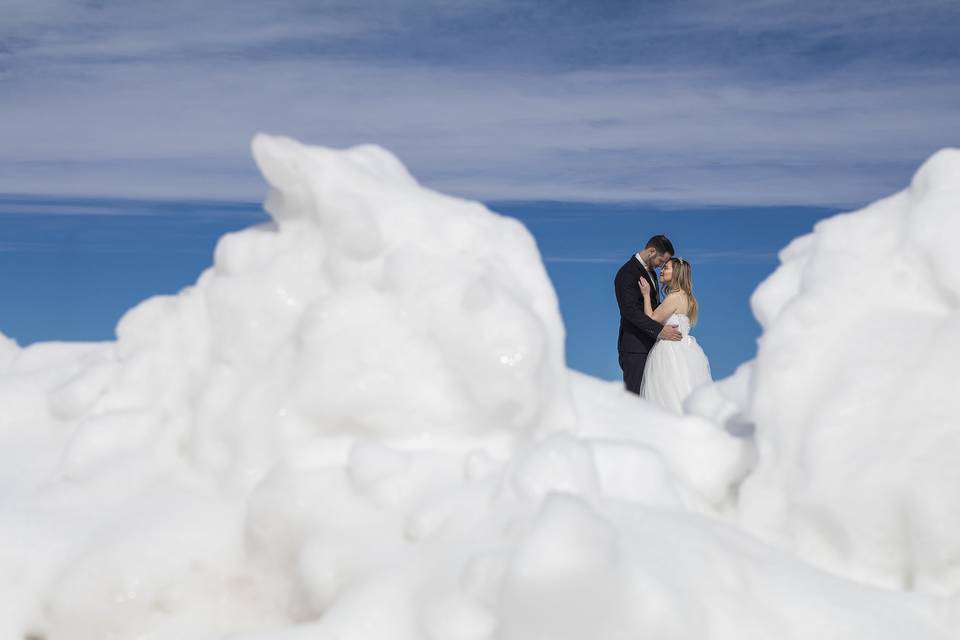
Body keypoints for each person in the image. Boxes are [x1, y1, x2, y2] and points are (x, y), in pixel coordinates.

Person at [637, 257, 712, 413]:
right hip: (686, 350)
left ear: (676, 273)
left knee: (666, 393)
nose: (662, 270)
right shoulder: (689, 298)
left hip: (669, 351)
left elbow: (651, 319)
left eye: (667, 268)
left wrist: (645, 295)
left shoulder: (674, 297)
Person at [614, 235, 682, 394]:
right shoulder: (627, 273)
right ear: (651, 251)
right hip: (636, 348)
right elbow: (630, 311)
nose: (661, 266)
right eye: (660, 261)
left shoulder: (650, 273)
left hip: (651, 347)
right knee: (635, 399)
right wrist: (659, 330)